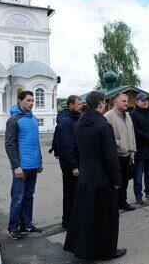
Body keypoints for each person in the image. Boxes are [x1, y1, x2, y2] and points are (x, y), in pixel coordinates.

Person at [63, 91, 126, 260]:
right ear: (100, 105)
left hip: (86, 178)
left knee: (87, 217)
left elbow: (75, 150)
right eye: (104, 103)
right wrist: (117, 179)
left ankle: (85, 250)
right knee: (107, 218)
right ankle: (107, 251)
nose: (104, 105)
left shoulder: (78, 124)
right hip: (103, 180)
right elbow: (110, 157)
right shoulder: (104, 126)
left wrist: (82, 167)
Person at [5, 91, 43, 240]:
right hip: (21, 167)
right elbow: (10, 144)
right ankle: (13, 228)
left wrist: (39, 161)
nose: (31, 103)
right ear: (20, 101)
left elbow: (35, 142)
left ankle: (26, 224)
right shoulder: (14, 120)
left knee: (28, 196)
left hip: (33, 165)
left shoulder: (33, 119)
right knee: (18, 197)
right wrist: (16, 166)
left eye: (33, 100)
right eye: (28, 100)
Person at [105, 93, 136, 211]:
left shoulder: (127, 115)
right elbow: (108, 137)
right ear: (116, 102)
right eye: (124, 101)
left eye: (127, 101)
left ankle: (123, 201)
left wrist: (133, 151)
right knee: (115, 181)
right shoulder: (108, 116)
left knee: (125, 180)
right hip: (116, 155)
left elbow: (131, 134)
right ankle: (114, 205)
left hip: (127, 154)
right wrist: (119, 144)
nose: (126, 103)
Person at [55, 95, 82, 229]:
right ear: (71, 105)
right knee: (71, 193)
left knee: (74, 193)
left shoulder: (72, 119)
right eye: (78, 104)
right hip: (70, 165)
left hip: (72, 163)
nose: (81, 106)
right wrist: (74, 166)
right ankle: (67, 222)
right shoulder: (66, 121)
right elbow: (67, 146)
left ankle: (72, 220)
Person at [130, 93, 149, 205]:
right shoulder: (133, 114)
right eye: (143, 101)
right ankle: (138, 195)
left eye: (147, 100)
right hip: (140, 149)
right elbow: (135, 131)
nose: (145, 102)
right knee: (138, 174)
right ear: (137, 102)